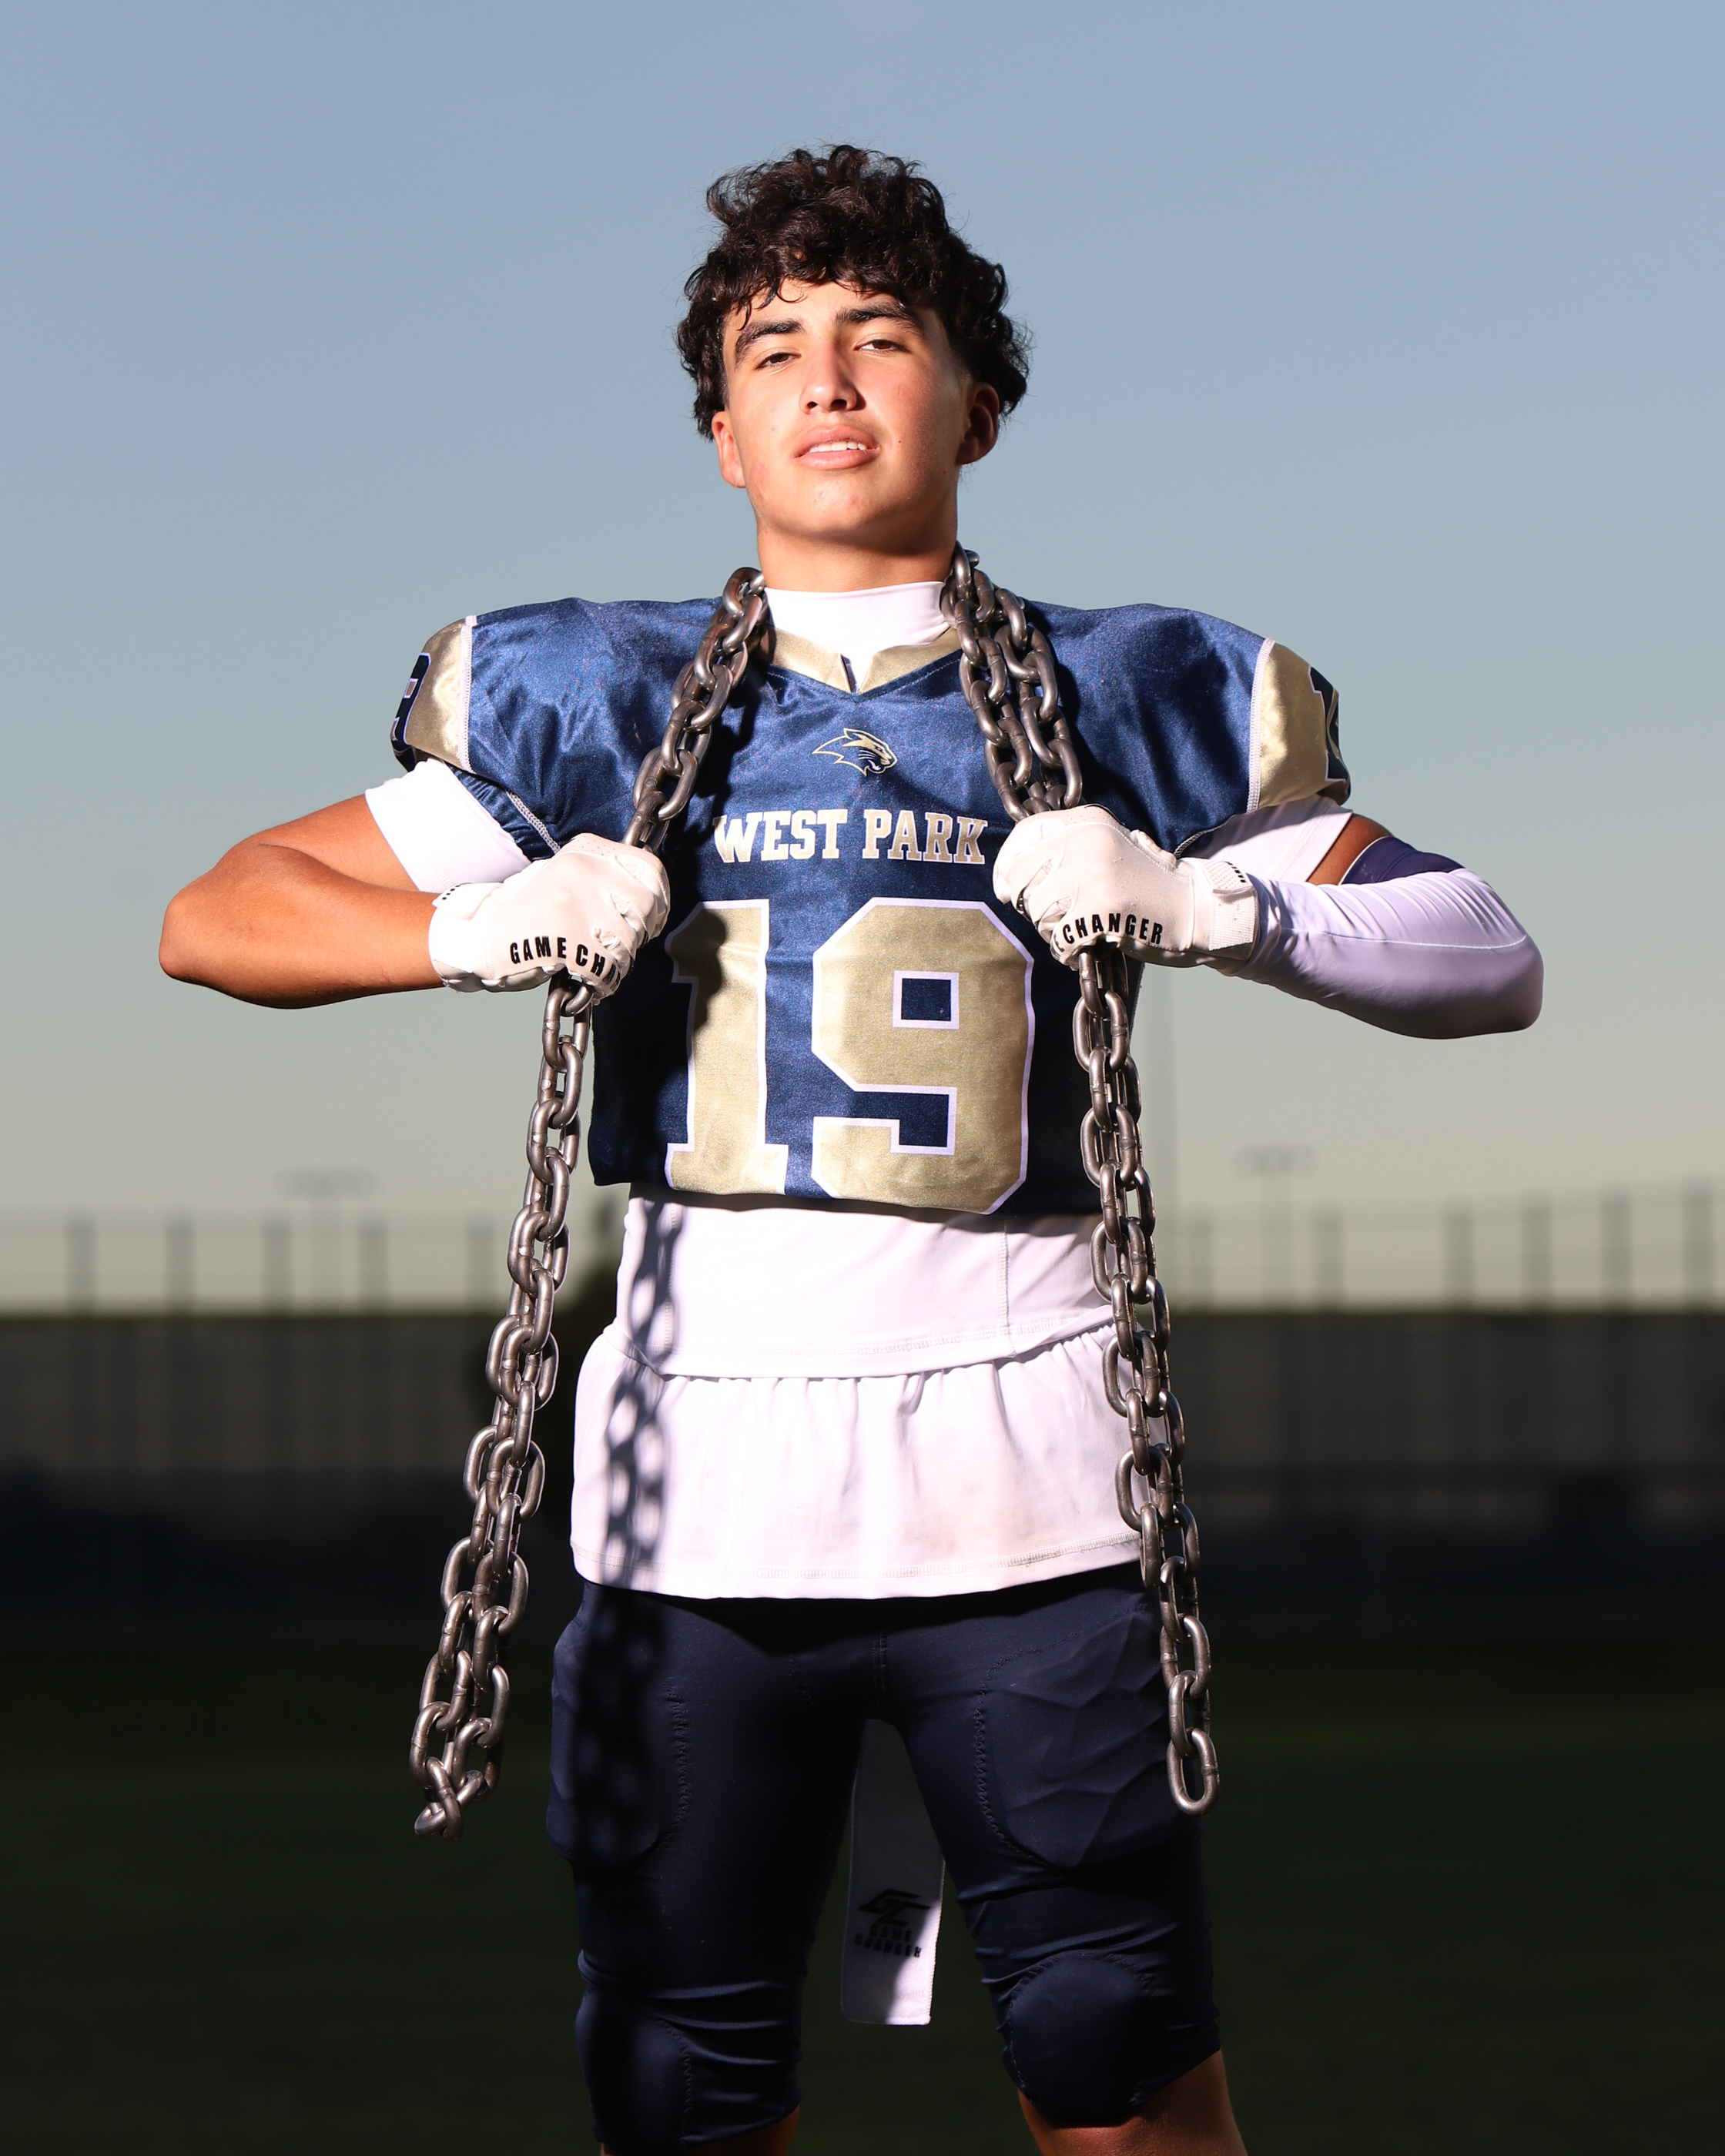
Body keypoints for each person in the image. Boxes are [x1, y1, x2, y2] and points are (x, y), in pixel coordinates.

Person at [161, 146, 1542, 2156]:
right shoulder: (592, 693)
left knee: (1119, 2072)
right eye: (772, 348)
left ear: (978, 401)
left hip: (1031, 1492)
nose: (825, 378)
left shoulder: (1143, 686)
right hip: (699, 1503)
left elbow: (1486, 951)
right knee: (681, 2086)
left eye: (880, 336)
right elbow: (220, 912)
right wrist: (473, 924)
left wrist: (1215, 904)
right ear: (722, 435)